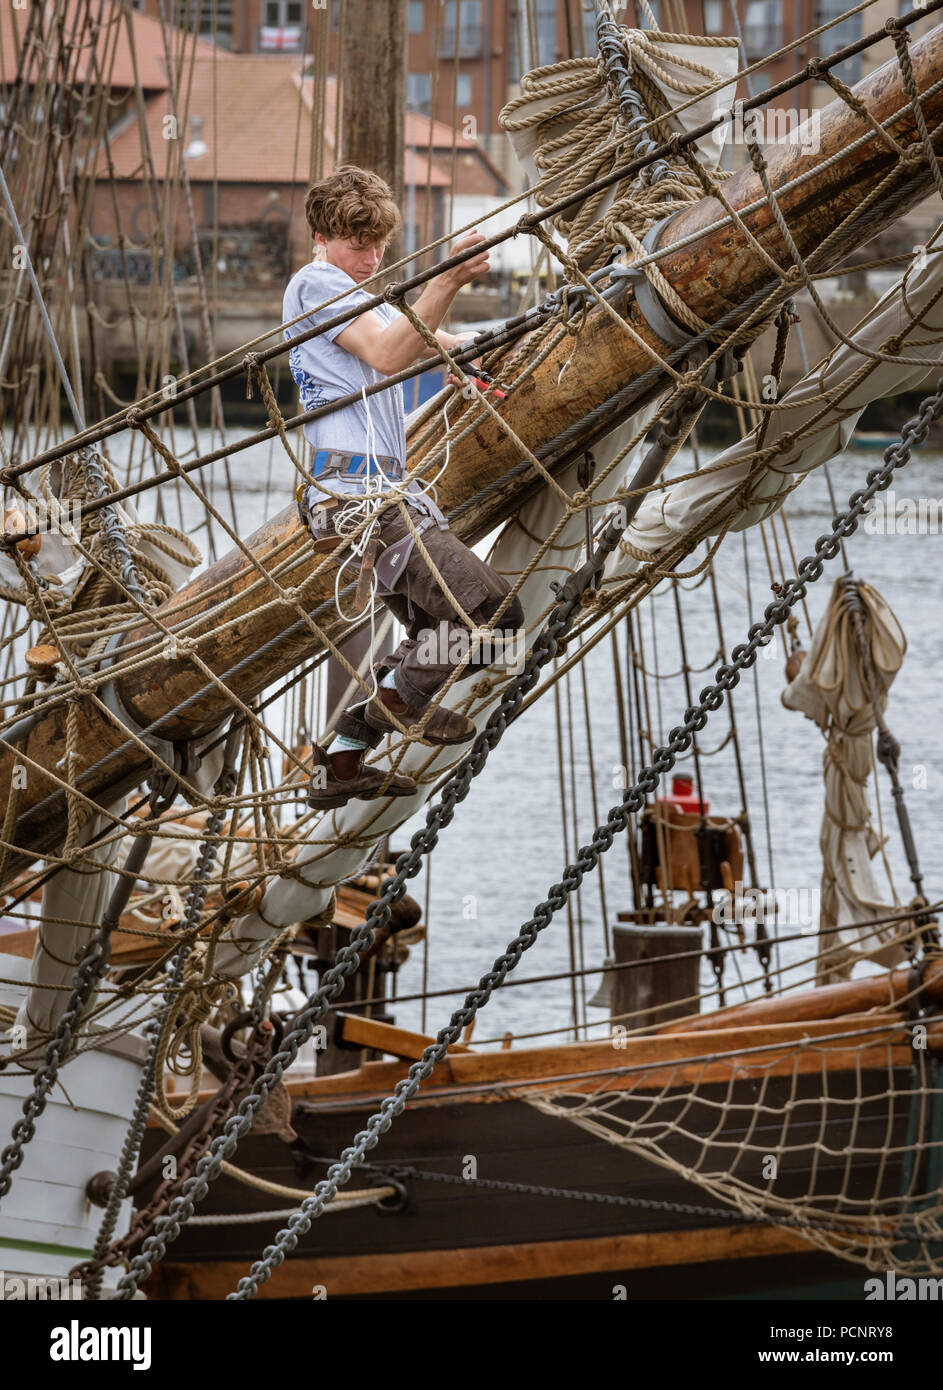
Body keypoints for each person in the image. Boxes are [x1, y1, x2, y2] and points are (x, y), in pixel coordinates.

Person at [283, 165, 525, 810]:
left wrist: (478, 350)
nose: (370, 259)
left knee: (448, 643)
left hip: (386, 501)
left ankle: (341, 759)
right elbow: (391, 355)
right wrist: (445, 278)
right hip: (360, 502)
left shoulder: (364, 295)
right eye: (356, 245)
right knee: (491, 615)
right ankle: (393, 705)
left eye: (379, 246)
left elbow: (431, 341)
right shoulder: (316, 286)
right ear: (322, 237)